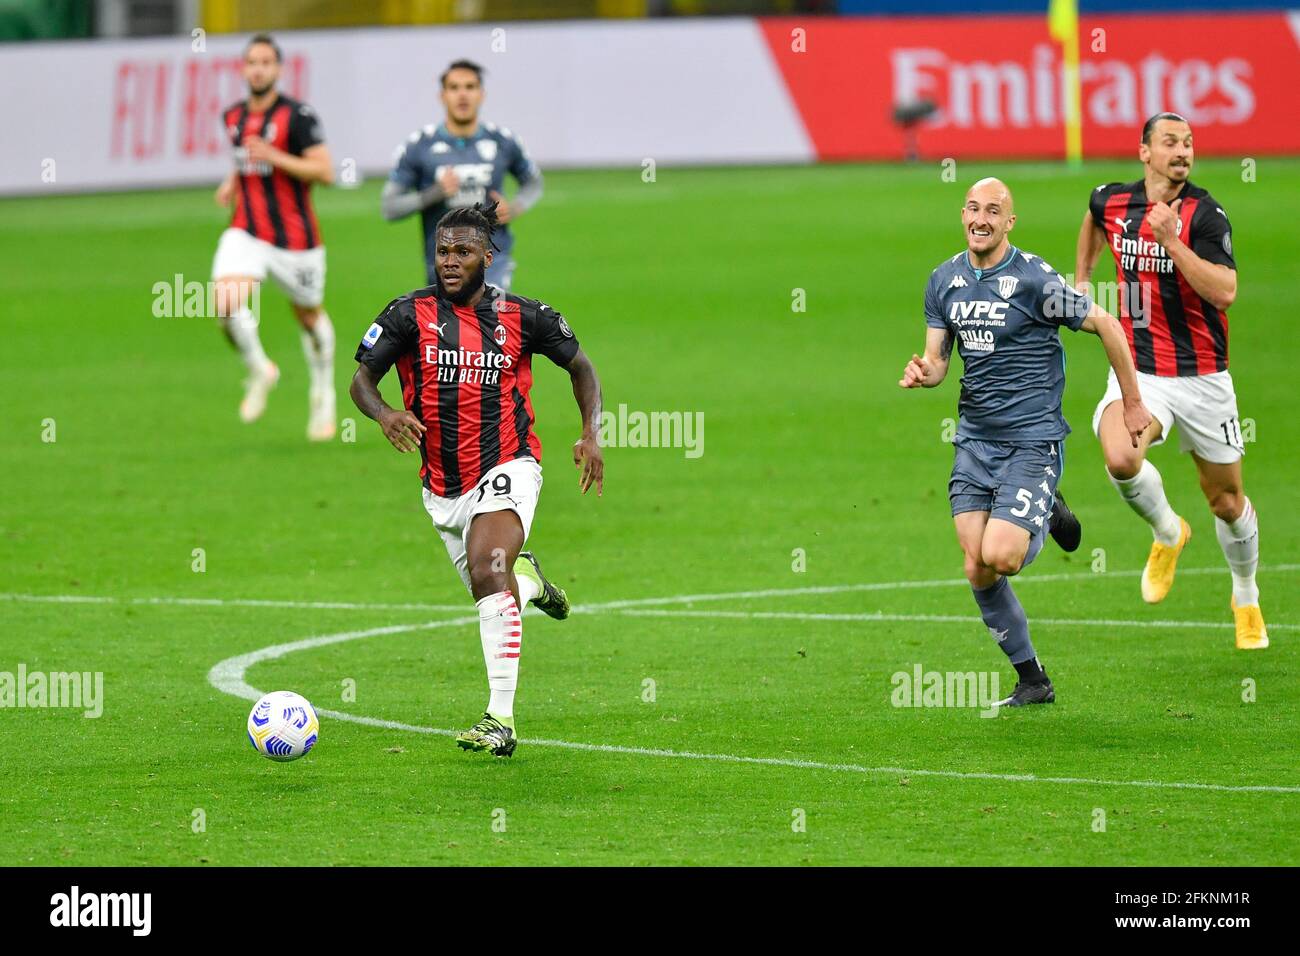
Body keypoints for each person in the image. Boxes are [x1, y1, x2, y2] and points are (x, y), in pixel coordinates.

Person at [350, 203, 603, 757]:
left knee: (490, 569)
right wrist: (386, 413)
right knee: (498, 587)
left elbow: (581, 366)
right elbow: (362, 380)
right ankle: (531, 583)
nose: (449, 261)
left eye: (463, 252)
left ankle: (500, 719)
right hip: (442, 489)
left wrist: (591, 431)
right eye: (442, 251)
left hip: (510, 464)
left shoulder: (524, 315)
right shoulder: (404, 315)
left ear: (489, 257)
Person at [901, 178, 1152, 706]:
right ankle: (1033, 680)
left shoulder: (1035, 281)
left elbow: (1107, 324)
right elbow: (939, 361)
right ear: (962, 214)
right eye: (973, 208)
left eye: (993, 211)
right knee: (977, 564)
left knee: (1003, 556)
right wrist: (924, 373)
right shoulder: (944, 281)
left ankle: (1044, 510)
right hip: (974, 442)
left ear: (1009, 222)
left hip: (1031, 442)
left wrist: (1131, 403)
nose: (980, 219)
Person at [1075, 112, 1265, 649]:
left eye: (1188, 143)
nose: (1182, 151)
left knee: (1226, 501)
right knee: (1120, 457)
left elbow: (1225, 292)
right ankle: (1166, 530)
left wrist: (1173, 243)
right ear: (1145, 152)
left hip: (1204, 376)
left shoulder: (1206, 214)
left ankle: (1245, 594)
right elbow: (1092, 215)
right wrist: (1083, 280)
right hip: (1140, 369)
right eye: (1170, 142)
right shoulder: (1113, 201)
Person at [212, 34, 337, 440]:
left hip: (296, 242)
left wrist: (274, 156)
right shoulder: (232, 116)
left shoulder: (298, 116)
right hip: (246, 230)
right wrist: (233, 181)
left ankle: (323, 390)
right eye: (252, 62)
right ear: (244, 69)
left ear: (278, 70)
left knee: (307, 315)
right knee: (224, 302)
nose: (258, 69)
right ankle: (260, 368)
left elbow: (326, 172)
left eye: (266, 62)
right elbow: (243, 156)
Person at [381, 59, 543, 291]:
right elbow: (390, 207)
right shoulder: (420, 146)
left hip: (492, 258)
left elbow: (533, 182)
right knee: (451, 327)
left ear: (482, 94)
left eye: (470, 87)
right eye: (454, 88)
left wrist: (515, 207)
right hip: (444, 263)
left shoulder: (502, 141)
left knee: (486, 318)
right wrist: (434, 193)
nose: (462, 95)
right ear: (442, 95)